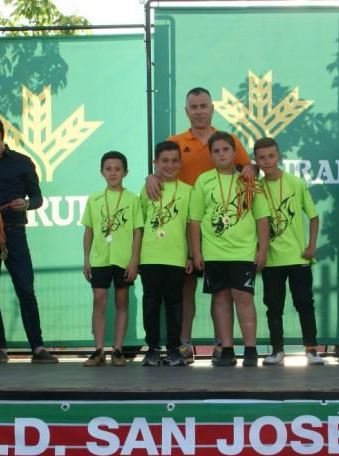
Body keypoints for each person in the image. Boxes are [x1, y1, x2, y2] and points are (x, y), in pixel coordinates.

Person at [146, 87, 250, 364]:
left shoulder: (227, 140)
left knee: (222, 291)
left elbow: (249, 170)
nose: (199, 111)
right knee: (185, 290)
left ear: (212, 108)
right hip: (183, 225)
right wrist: (150, 177)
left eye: (204, 105)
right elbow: (160, 170)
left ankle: (221, 345)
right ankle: (183, 344)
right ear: (186, 111)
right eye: (194, 106)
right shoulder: (176, 141)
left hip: (219, 229)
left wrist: (252, 170)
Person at [0, 114, 57, 364]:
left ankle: (37, 348)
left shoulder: (23, 162)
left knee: (25, 289)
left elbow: (38, 198)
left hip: (14, 231)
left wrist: (25, 203)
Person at [188, 132, 269, 367]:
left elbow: (262, 217)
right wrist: (196, 252)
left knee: (244, 298)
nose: (222, 154)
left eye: (226, 149)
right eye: (216, 151)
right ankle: (226, 349)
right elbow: (194, 219)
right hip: (213, 252)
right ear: (211, 155)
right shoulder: (204, 181)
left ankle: (251, 349)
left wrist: (262, 249)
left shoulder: (248, 179)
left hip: (243, 251)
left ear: (235, 153)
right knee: (221, 299)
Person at [252, 137, 324, 366]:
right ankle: (277, 350)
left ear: (279, 157)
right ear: (256, 160)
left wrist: (311, 246)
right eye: (261, 158)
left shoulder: (296, 183)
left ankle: (311, 350)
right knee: (273, 307)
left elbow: (313, 217)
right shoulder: (255, 188)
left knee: (304, 303)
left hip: (297, 258)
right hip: (271, 260)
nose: (267, 161)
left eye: (271, 156)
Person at [80, 151, 143, 367]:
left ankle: (118, 349)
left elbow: (138, 232)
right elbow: (88, 230)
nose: (113, 173)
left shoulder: (133, 199)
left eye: (118, 169)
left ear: (126, 172)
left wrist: (134, 259)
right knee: (99, 301)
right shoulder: (94, 199)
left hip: (123, 259)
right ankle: (98, 351)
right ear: (101, 172)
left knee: (122, 302)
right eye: (108, 169)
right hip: (100, 259)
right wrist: (86, 259)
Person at [138, 141, 193, 367]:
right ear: (155, 163)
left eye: (174, 161)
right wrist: (136, 257)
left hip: (176, 257)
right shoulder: (148, 188)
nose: (170, 165)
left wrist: (190, 255)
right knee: (151, 303)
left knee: (174, 303)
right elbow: (138, 225)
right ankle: (152, 348)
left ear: (180, 163)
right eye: (164, 161)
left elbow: (191, 225)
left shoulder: (189, 191)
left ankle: (173, 349)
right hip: (150, 256)